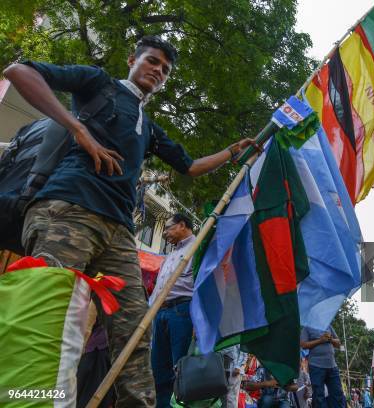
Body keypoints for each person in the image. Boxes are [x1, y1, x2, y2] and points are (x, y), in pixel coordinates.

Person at [3, 36, 258, 407]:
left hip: (119, 230)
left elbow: (190, 167)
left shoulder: (149, 128)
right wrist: (78, 129)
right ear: (132, 60)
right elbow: (18, 71)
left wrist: (232, 152)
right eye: (152, 61)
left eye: (165, 70)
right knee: (45, 313)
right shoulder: (97, 83)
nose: (158, 71)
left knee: (135, 331)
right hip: (67, 210)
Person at [149, 213, 196, 407]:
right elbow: (160, 286)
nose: (166, 232)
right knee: (159, 370)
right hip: (160, 313)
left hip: (182, 311)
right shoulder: (170, 255)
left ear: (182, 225)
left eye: (168, 227)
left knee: (181, 371)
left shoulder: (198, 248)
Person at [300, 325, 346, 408]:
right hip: (315, 366)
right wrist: (320, 340)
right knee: (319, 395)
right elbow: (303, 344)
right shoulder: (307, 327)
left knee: (337, 393)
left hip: (332, 365)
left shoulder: (328, 326)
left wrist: (331, 339)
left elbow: (338, 343)